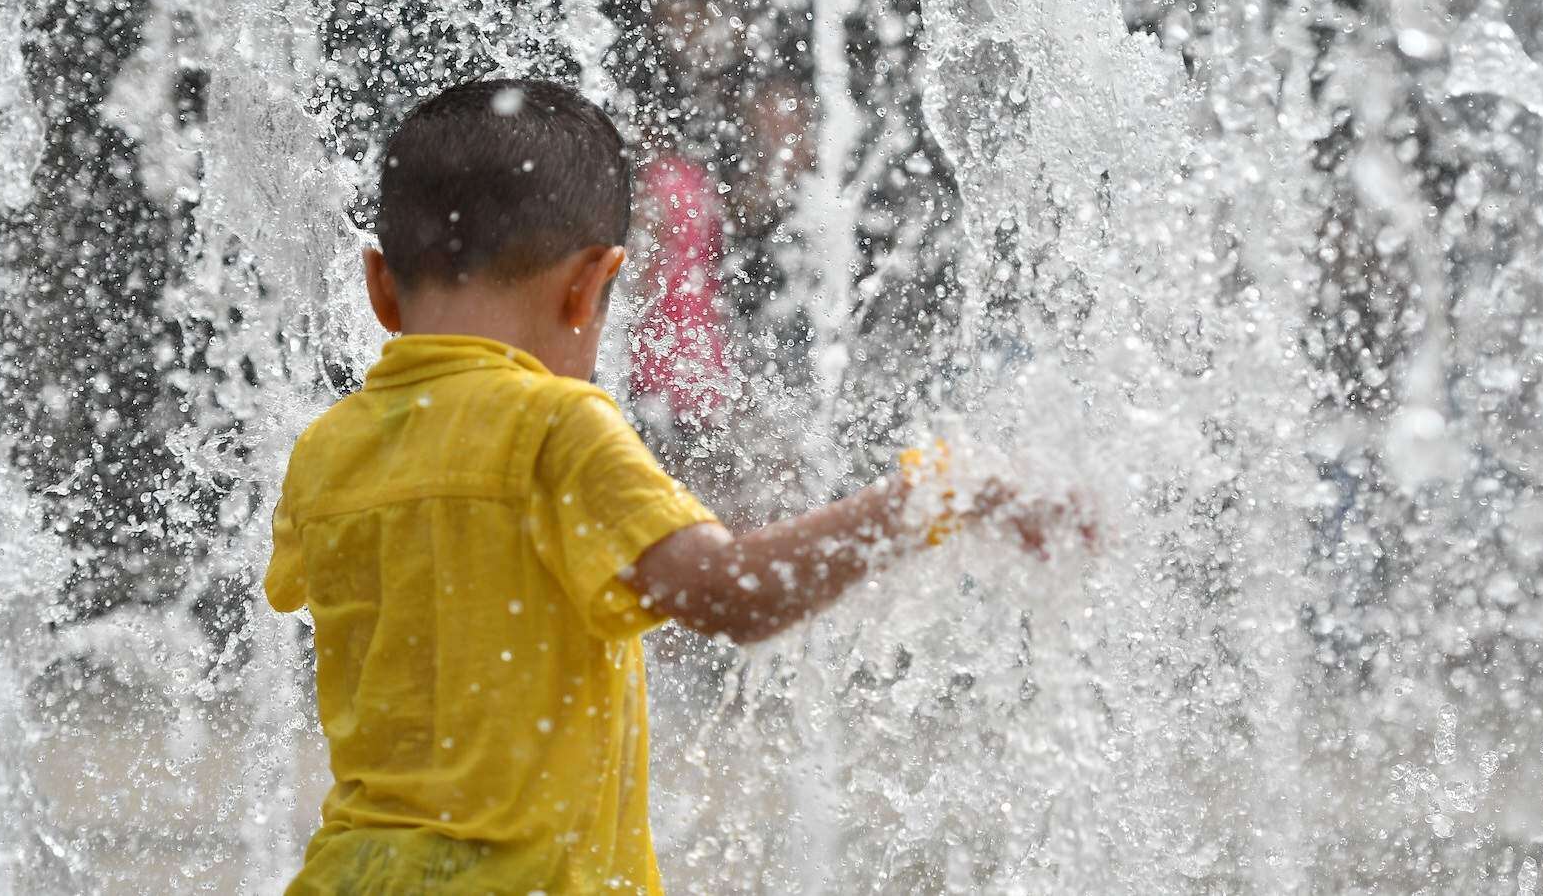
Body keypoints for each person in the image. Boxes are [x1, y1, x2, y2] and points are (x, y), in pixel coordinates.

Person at [264, 78, 1084, 895]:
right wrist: (931, 495)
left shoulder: (325, 448)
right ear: (591, 285)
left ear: (379, 284)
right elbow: (734, 594)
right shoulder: (554, 427)